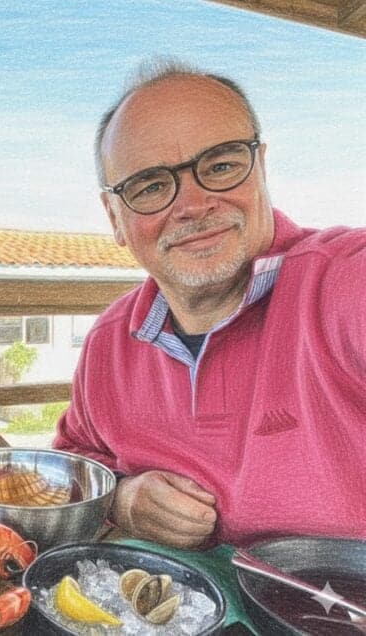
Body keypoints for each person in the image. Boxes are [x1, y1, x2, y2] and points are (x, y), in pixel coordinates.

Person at [53, 60, 366, 551]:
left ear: (259, 169)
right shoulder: (107, 344)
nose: (193, 205)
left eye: (220, 166)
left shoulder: (345, 281)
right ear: (115, 217)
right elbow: (71, 468)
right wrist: (122, 499)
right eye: (151, 186)